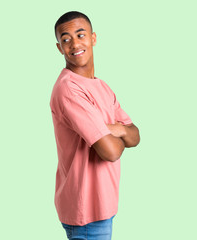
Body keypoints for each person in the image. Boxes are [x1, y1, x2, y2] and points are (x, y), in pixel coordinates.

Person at [50, 11, 140, 240]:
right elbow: (111, 152)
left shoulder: (102, 87)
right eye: (66, 39)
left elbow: (135, 136)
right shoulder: (68, 89)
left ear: (93, 38)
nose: (74, 44)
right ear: (60, 47)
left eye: (80, 35)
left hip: (103, 206)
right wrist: (115, 133)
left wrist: (114, 129)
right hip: (86, 212)